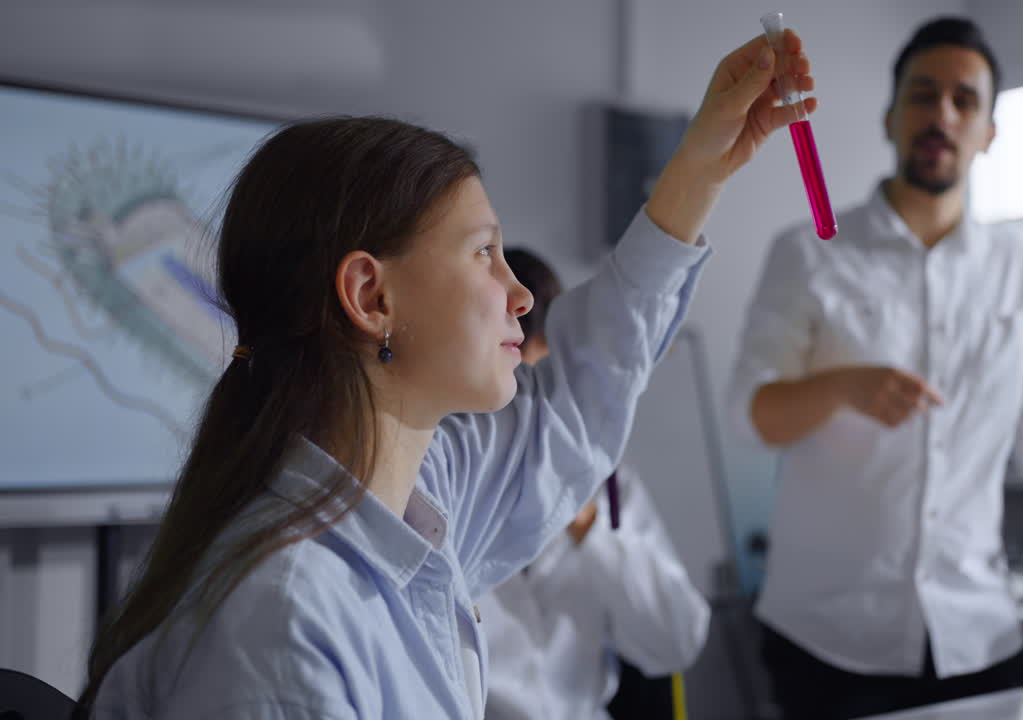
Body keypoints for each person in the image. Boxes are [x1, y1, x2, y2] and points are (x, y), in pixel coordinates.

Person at [79, 29, 817, 719]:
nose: (522, 296)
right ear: (372, 296)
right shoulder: (284, 620)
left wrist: (702, 165)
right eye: (483, 254)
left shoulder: (424, 493)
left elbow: (579, 398)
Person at [728, 17, 1023, 720]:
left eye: (965, 101)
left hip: (977, 634)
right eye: (924, 96)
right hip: (831, 640)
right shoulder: (809, 254)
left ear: (989, 131)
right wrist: (843, 386)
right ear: (890, 116)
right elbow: (750, 412)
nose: (942, 114)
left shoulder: (1018, 272)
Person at [477, 248, 710, 720]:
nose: (529, 417)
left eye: (542, 390)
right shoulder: (437, 486)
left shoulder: (606, 482)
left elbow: (676, 641)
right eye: (512, 395)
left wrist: (586, 525)